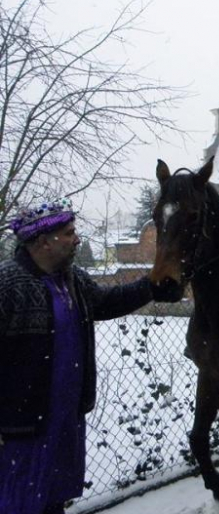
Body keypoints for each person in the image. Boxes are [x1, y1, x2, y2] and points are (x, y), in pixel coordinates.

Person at [0, 198, 182, 514]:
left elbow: (107, 301)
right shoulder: (9, 284)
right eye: (69, 233)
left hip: (65, 419)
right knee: (17, 501)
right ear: (44, 242)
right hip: (21, 428)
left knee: (54, 499)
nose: (77, 239)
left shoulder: (72, 278)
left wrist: (151, 286)